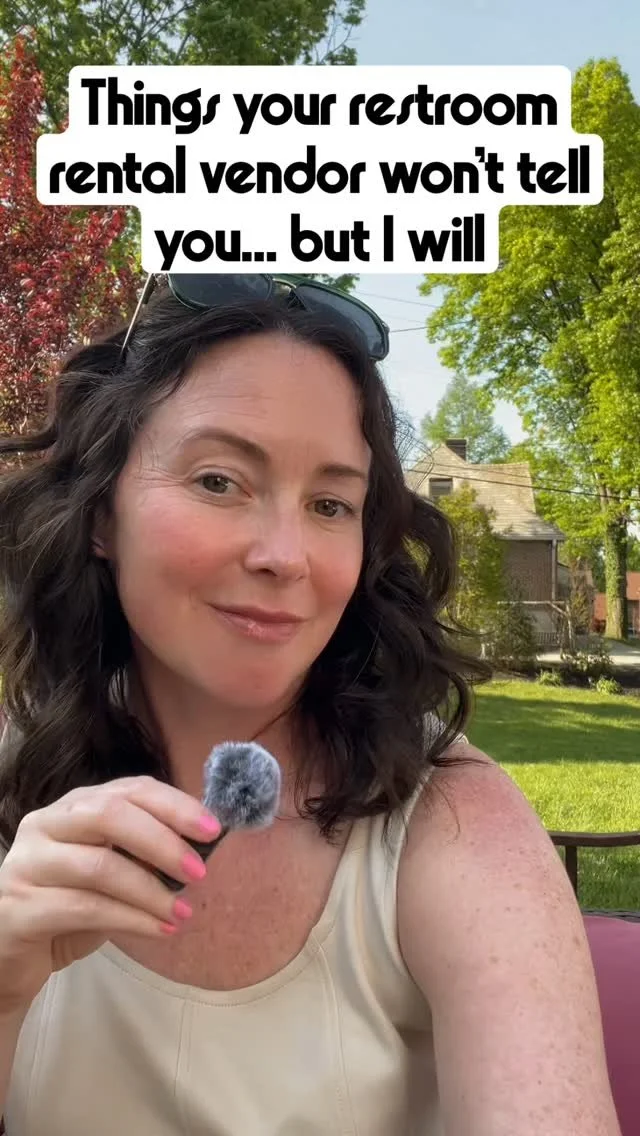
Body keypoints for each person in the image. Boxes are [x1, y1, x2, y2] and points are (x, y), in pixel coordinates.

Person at [0, 274, 620, 1136]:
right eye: (220, 481)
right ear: (102, 514)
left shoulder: (454, 824)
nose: (285, 555)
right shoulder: (15, 776)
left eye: (330, 504)